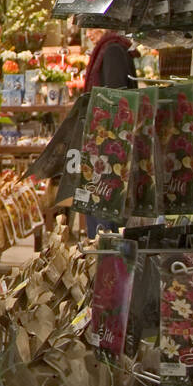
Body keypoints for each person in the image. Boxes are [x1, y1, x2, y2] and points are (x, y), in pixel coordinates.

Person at [81, 28, 135, 240]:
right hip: (107, 143)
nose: (88, 33)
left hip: (109, 146)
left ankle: (105, 262)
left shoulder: (111, 51)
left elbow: (115, 98)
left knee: (103, 212)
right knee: (102, 210)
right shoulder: (112, 48)